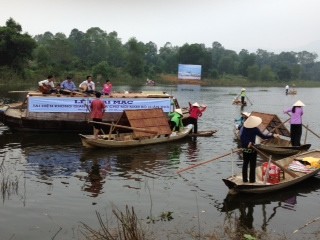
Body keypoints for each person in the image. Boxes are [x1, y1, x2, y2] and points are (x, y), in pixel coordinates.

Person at [240, 116, 278, 183]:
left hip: (245, 149)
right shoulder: (255, 129)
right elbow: (263, 136)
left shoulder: (243, 128)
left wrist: (247, 143)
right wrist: (273, 136)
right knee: (252, 165)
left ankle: (244, 180)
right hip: (252, 149)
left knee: (245, 164)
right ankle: (252, 181)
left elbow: (242, 137)